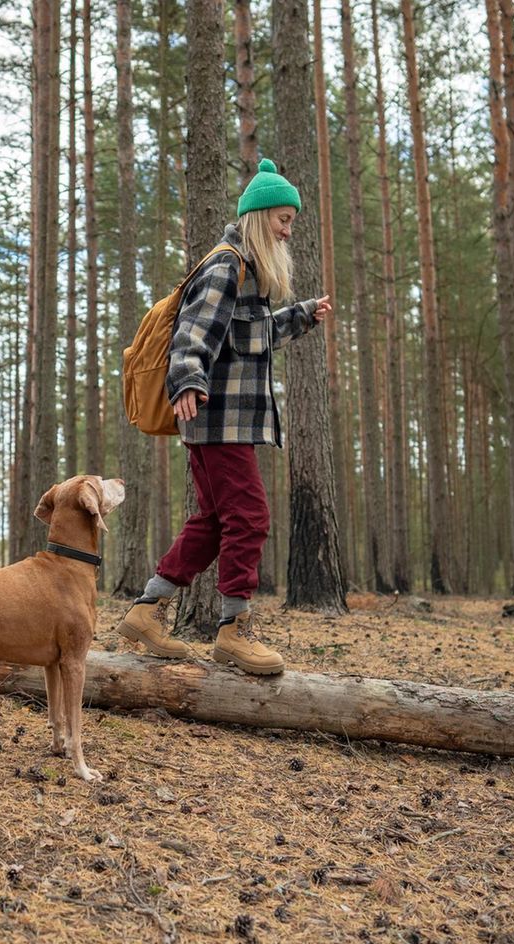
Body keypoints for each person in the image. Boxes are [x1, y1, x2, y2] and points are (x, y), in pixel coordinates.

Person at [118, 158, 332, 675]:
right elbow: (193, 332)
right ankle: (234, 629)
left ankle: (147, 609)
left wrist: (301, 315)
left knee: (214, 521)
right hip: (218, 419)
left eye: (291, 221)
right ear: (259, 217)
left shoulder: (248, 275)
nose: (288, 230)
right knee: (250, 517)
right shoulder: (226, 265)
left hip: (224, 420)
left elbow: (250, 337)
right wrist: (187, 379)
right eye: (282, 219)